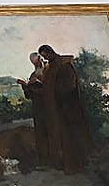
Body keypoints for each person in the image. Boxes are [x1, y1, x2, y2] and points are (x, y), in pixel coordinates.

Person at [36, 44, 93, 173]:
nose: (45, 59)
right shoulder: (51, 66)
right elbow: (49, 85)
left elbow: (70, 86)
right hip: (57, 108)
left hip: (68, 108)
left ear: (50, 52)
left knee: (71, 136)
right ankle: (64, 164)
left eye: (45, 56)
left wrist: (53, 91)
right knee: (61, 136)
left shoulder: (64, 64)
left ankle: (75, 166)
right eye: (43, 57)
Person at [16, 52, 47, 168]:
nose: (36, 65)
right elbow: (29, 96)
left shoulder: (48, 71)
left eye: (37, 62)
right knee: (40, 134)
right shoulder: (33, 74)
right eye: (34, 64)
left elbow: (50, 89)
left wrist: (40, 84)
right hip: (38, 108)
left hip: (49, 107)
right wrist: (25, 86)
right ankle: (43, 160)